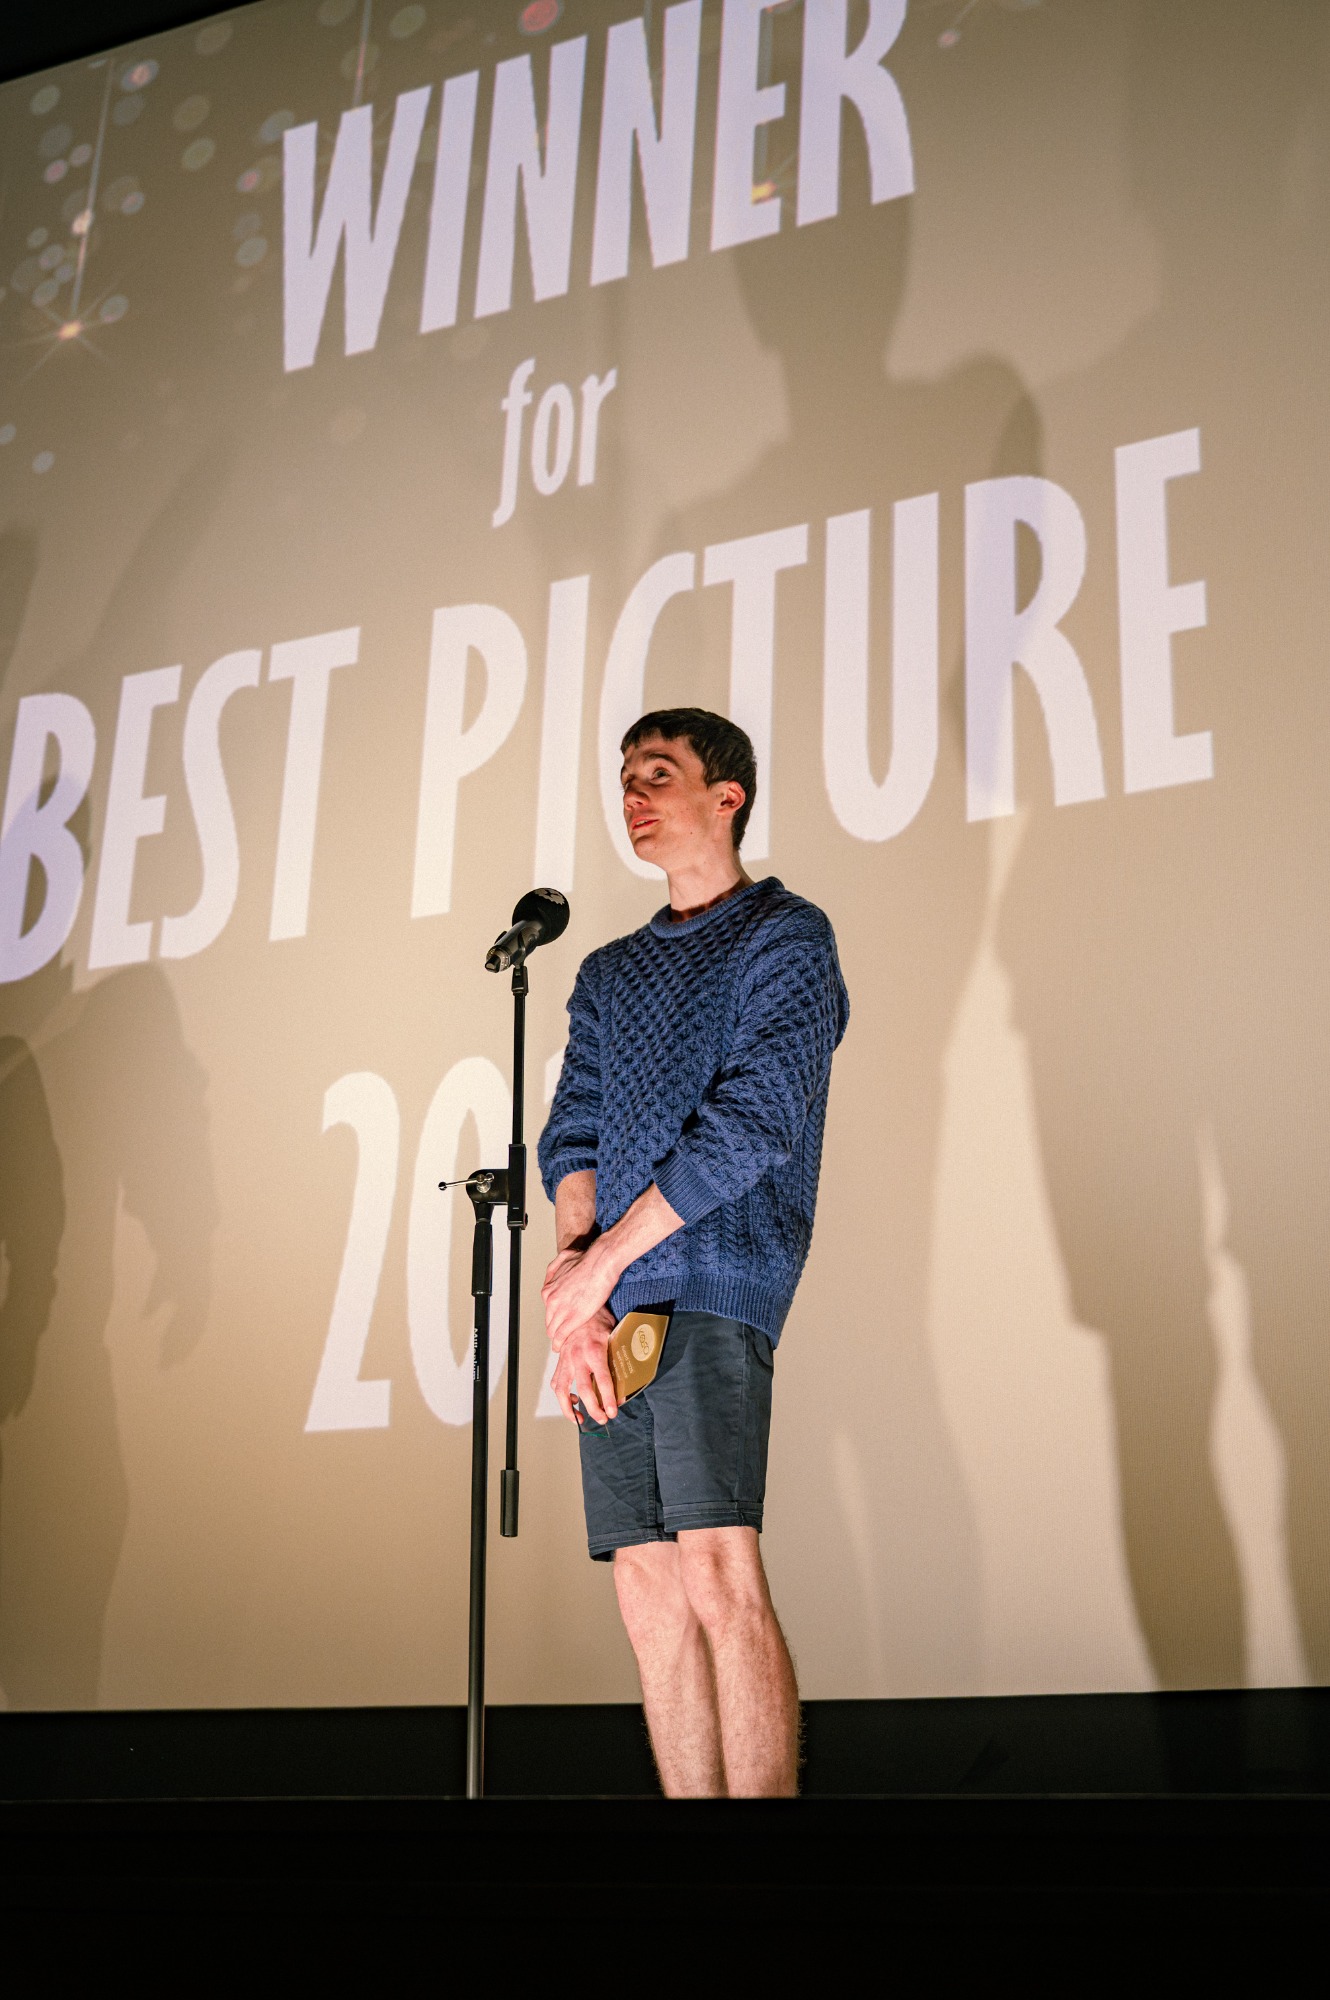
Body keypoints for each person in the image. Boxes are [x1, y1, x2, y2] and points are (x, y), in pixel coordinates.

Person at [538, 708, 849, 1797]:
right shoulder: (607, 970)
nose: (633, 794)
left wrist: (600, 1266)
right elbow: (572, 1134)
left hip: (715, 1277)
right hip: (612, 1303)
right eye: (625, 776)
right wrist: (578, 1293)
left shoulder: (785, 934)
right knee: (645, 1583)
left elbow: (755, 1122)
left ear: (728, 796)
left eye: (658, 773)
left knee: (717, 1565)